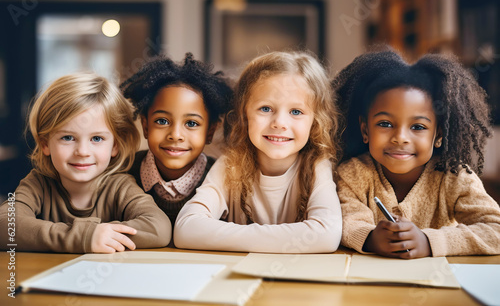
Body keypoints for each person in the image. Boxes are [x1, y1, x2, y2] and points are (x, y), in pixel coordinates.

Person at [333, 48, 500, 258]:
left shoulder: (455, 177)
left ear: (439, 134)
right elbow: (346, 223)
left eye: (418, 127)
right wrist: (370, 237)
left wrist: (429, 241)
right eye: (385, 124)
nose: (400, 137)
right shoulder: (351, 174)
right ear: (366, 130)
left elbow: (495, 230)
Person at [174, 51, 342, 253]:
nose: (279, 123)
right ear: (243, 116)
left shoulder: (316, 166)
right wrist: (285, 238)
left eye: (296, 112)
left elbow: (326, 235)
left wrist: (235, 236)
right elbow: (186, 229)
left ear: (315, 122)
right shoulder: (231, 165)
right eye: (265, 108)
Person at [0, 73, 171, 253]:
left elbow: (159, 227)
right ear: (45, 144)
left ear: (115, 145)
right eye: (68, 137)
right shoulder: (38, 184)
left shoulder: (120, 187)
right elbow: (5, 225)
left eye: (96, 138)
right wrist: (85, 236)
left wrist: (104, 236)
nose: (82, 152)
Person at [120, 53, 233, 224]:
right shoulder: (123, 172)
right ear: (145, 126)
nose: (176, 135)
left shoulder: (222, 180)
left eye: (192, 123)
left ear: (210, 132)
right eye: (162, 121)